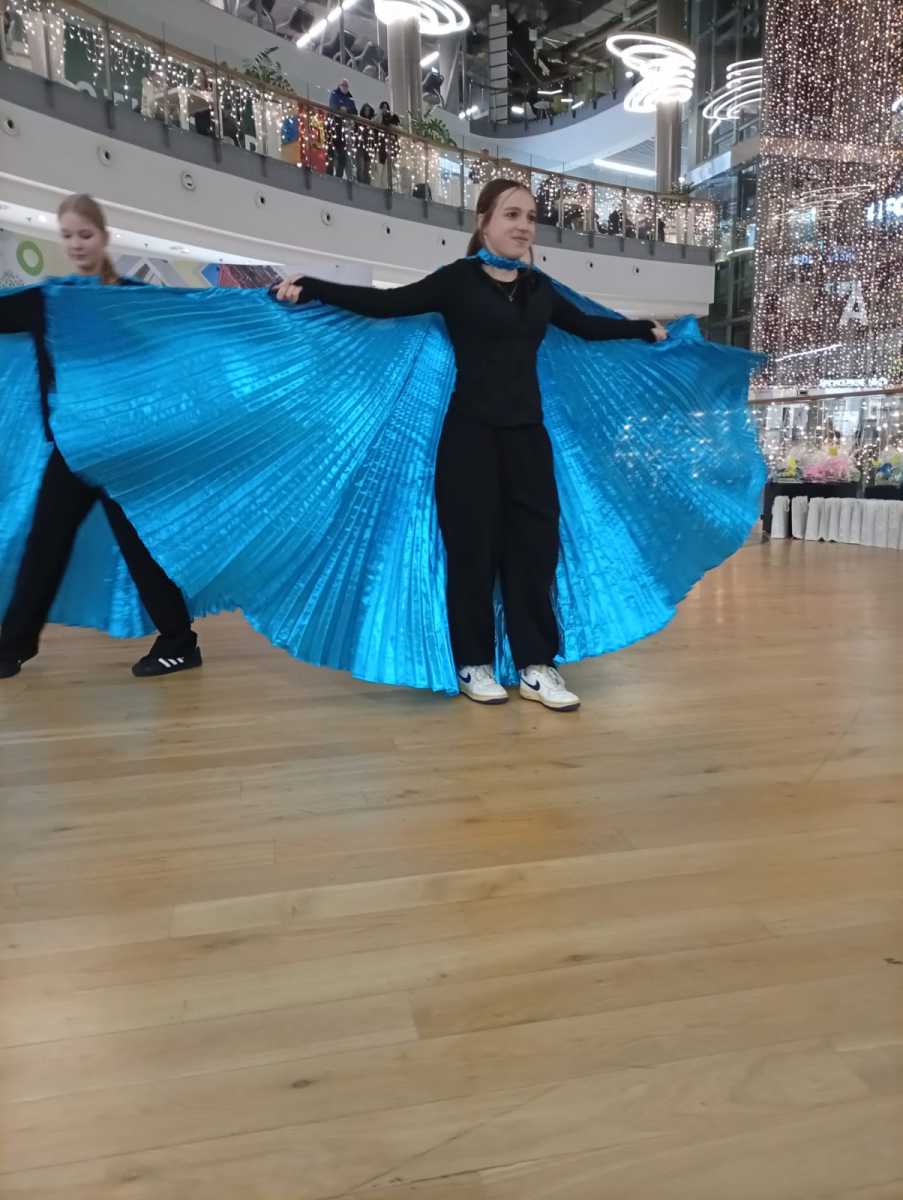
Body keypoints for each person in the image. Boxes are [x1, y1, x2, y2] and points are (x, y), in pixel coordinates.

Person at [274, 179, 667, 711]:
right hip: (470, 438)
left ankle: (536, 665)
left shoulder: (539, 289)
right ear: (484, 221)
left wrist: (642, 330)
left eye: (530, 217)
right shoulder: (457, 281)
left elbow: (586, 327)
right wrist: (316, 288)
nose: (524, 226)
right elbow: (385, 304)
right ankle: (473, 663)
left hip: (528, 439)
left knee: (535, 553)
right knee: (472, 552)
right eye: (512, 215)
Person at [0, 194, 201, 681]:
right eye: (67, 235)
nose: (75, 244)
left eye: (84, 234)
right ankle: (12, 646)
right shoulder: (50, 300)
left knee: (139, 549)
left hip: (124, 453)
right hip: (73, 450)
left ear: (104, 237)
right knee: (45, 545)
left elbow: (202, 318)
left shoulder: (133, 300)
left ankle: (180, 642)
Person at [326, 77, 357, 180]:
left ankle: (339, 176)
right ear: (339, 85)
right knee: (331, 152)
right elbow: (334, 106)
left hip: (344, 128)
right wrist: (341, 109)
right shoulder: (334, 94)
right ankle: (329, 174)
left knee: (342, 154)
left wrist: (346, 109)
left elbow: (354, 111)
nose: (344, 87)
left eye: (346, 86)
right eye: (343, 85)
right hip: (333, 126)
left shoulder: (350, 98)